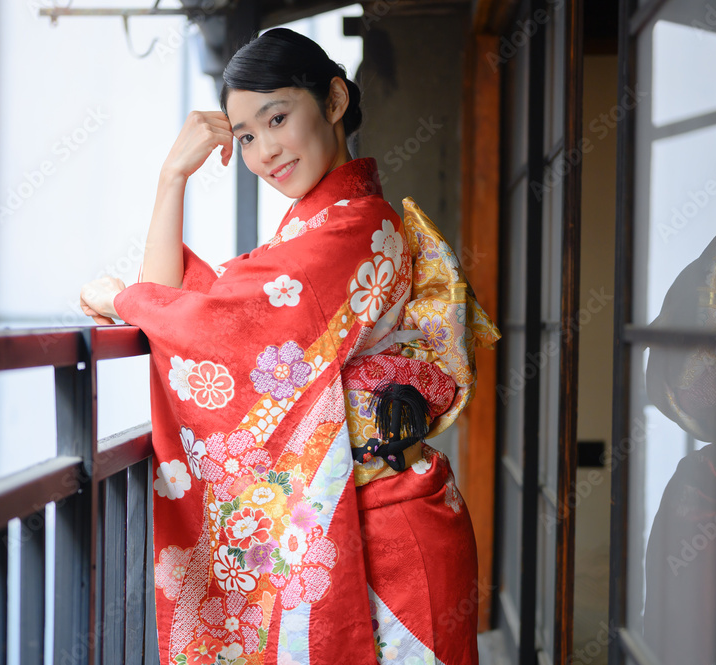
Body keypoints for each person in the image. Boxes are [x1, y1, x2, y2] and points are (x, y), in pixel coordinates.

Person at [80, 27, 499, 665]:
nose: (266, 150)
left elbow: (213, 329)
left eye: (277, 118)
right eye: (246, 136)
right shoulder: (313, 235)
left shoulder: (355, 227)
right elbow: (195, 312)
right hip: (361, 519)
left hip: (389, 533)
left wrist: (125, 301)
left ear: (334, 100)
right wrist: (172, 179)